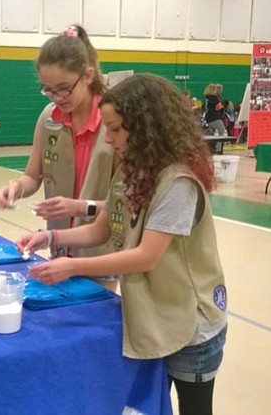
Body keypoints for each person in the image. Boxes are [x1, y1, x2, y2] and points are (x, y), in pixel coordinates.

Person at [18, 74, 227, 415]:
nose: (109, 139)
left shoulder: (178, 182)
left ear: (146, 128)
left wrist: (72, 266)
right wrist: (50, 237)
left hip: (192, 325)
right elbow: (102, 229)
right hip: (154, 316)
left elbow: (146, 256)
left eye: (115, 129)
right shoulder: (133, 169)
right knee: (146, 405)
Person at [0, 24, 118, 290]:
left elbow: (125, 204)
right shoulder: (49, 118)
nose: (57, 97)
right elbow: (32, 176)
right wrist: (15, 188)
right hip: (58, 247)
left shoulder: (114, 124)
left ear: (87, 76)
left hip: (102, 256)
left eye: (64, 88)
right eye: (48, 89)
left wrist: (79, 206)